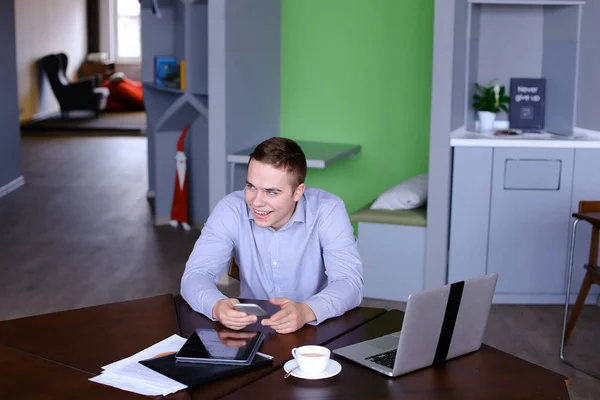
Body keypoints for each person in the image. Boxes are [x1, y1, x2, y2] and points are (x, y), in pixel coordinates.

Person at [180, 137, 363, 334]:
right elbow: (195, 275)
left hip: (316, 328)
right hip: (253, 328)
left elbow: (349, 282)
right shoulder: (231, 209)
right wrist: (216, 305)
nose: (256, 202)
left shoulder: (329, 210)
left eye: (271, 192)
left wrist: (306, 311)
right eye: (251, 187)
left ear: (298, 192)